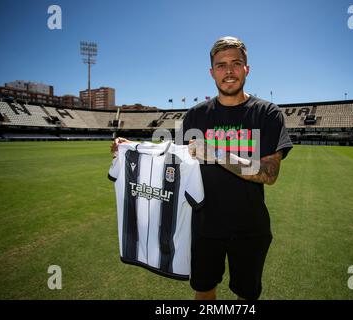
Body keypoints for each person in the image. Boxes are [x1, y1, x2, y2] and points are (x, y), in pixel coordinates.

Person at [111, 36, 292, 300]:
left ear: (247, 69)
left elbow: (270, 173)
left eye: (236, 63)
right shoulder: (196, 115)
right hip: (203, 224)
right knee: (204, 289)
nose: (228, 71)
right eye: (221, 65)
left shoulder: (267, 113)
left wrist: (215, 152)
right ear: (212, 72)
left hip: (250, 226)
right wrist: (133, 150)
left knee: (247, 294)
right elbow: (174, 157)